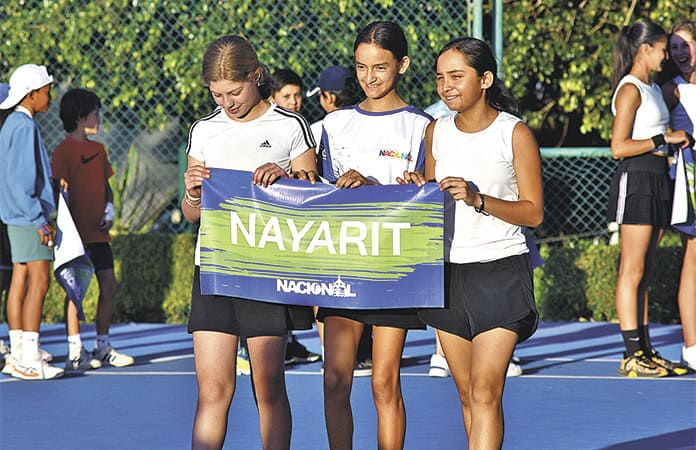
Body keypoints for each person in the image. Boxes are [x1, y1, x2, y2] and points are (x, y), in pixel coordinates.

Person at [401, 36, 542, 449]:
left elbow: (533, 212)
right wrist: (418, 188)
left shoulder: (514, 133)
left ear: (485, 79)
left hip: (501, 271)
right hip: (445, 274)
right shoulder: (436, 132)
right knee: (466, 394)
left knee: (484, 392)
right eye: (440, 78)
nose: (446, 86)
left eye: (456, 76)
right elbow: (431, 194)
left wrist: (479, 198)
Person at [182, 35, 318, 450]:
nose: (227, 102)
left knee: (269, 386)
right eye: (217, 94)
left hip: (268, 271)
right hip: (214, 269)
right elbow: (192, 214)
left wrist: (286, 178)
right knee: (212, 390)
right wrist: (192, 193)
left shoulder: (290, 126)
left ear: (256, 76)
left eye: (234, 92)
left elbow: (313, 200)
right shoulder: (204, 130)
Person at [317, 21, 431, 450]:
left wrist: (376, 188)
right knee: (334, 380)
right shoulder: (334, 124)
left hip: (392, 266)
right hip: (341, 264)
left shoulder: (422, 126)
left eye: (380, 67)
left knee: (384, 380)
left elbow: (426, 199)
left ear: (402, 65)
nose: (369, 77)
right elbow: (316, 194)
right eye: (361, 66)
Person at [608, 20, 692, 377]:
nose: (666, 56)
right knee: (632, 269)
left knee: (645, 271)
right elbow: (618, 147)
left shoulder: (653, 87)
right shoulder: (630, 89)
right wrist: (664, 139)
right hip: (637, 177)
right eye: (661, 49)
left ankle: (644, 349)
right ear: (645, 50)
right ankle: (631, 355)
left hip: (659, 177)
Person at [51, 88, 134, 372]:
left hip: (98, 235)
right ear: (79, 116)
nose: (99, 118)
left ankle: (103, 345)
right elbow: (59, 192)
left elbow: (106, 187)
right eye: (95, 113)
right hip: (75, 238)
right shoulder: (62, 152)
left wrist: (109, 210)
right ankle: (75, 352)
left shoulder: (99, 150)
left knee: (109, 286)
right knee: (75, 292)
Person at [0, 64, 64, 380]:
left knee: (21, 280)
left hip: (15, 215)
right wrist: (39, 219)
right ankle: (27, 358)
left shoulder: (12, 124)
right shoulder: (24, 126)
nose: (49, 97)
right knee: (39, 282)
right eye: (46, 91)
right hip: (28, 216)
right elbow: (21, 181)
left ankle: (20, 353)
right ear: (31, 94)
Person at [661, 20, 696, 371]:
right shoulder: (671, 89)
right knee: (693, 259)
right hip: (689, 182)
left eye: (685, 45)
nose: (680, 53)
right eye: (674, 47)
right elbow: (658, 131)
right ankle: (692, 345)